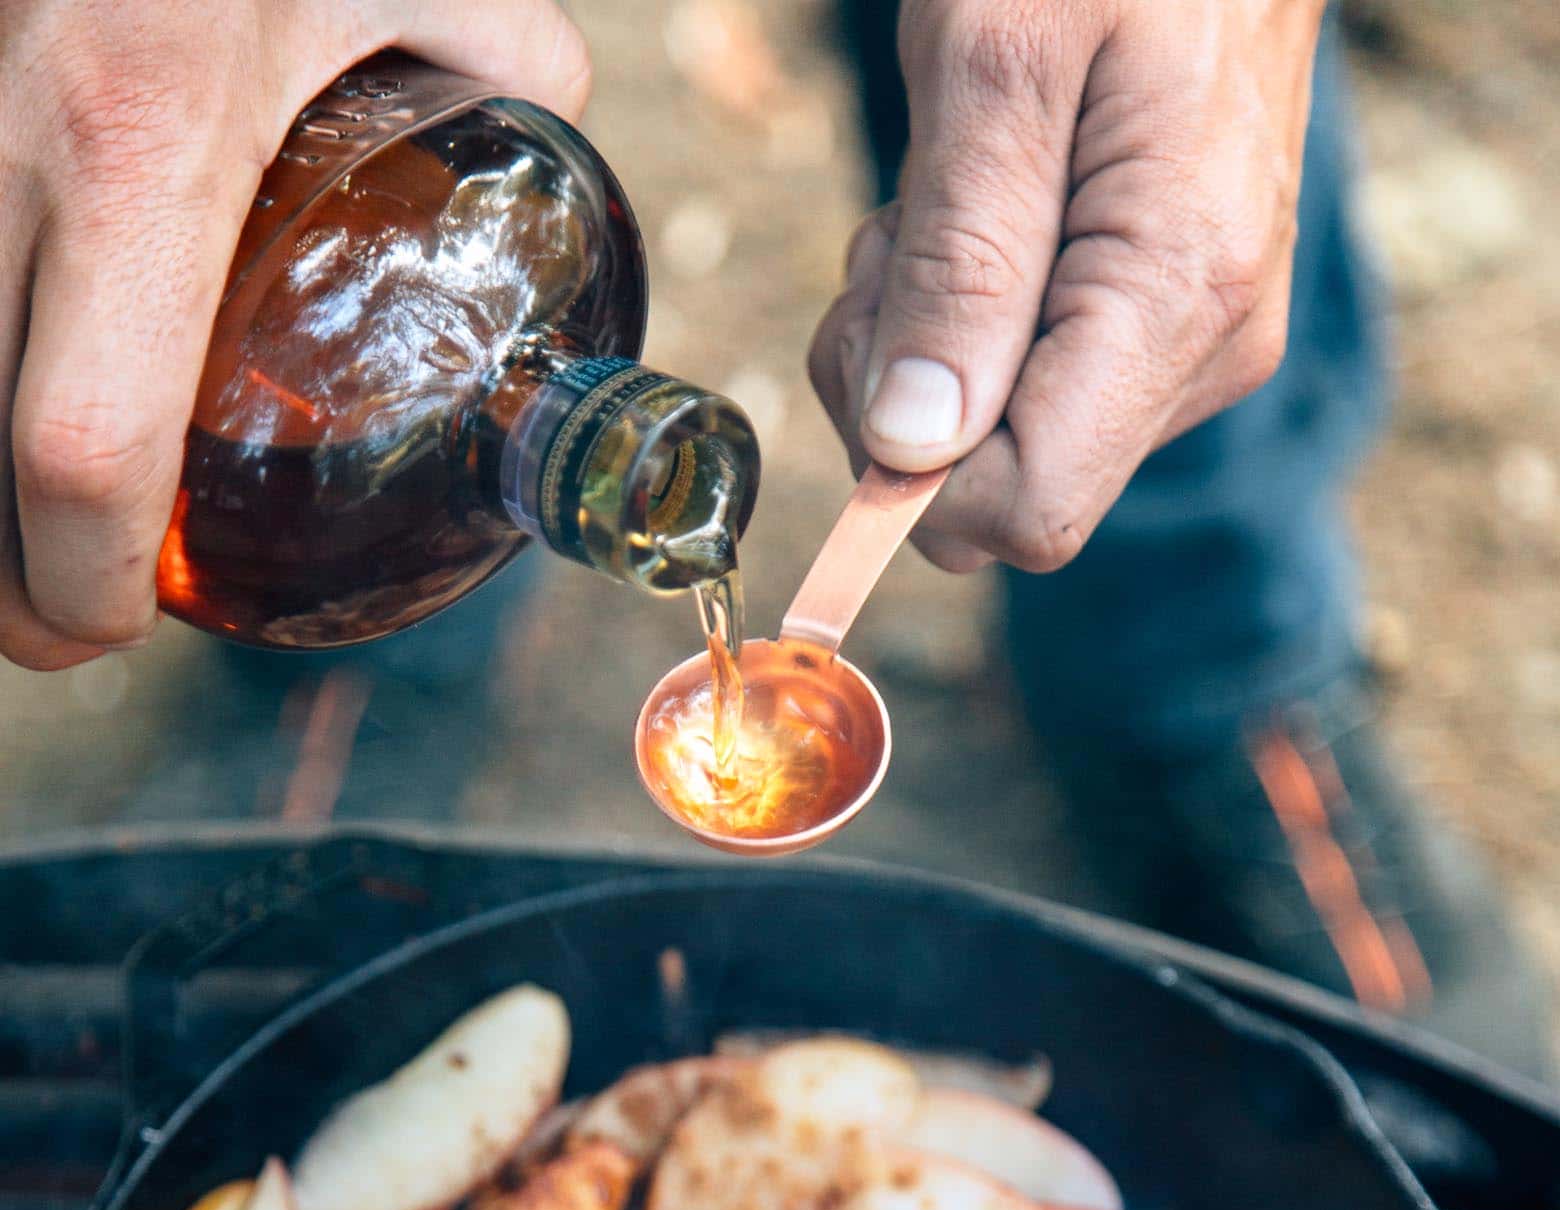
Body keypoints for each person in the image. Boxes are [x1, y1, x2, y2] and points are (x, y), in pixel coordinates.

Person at [0, 0, 1545, 1066]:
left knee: (1104, 164)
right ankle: (361, 671)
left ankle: (1203, 670)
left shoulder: (555, 224)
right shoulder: (542, 234)